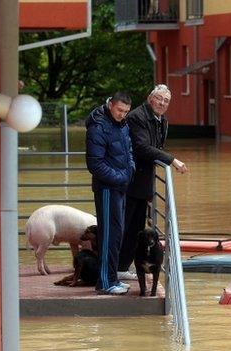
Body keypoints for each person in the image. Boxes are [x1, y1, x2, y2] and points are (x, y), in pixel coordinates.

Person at [117, 84, 188, 280]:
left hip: (143, 183)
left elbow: (155, 146)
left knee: (137, 228)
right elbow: (142, 148)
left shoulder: (161, 120)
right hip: (129, 181)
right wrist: (172, 160)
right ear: (150, 99)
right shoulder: (137, 117)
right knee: (123, 227)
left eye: (166, 101)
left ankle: (123, 267)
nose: (162, 103)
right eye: (159, 99)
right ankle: (113, 268)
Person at [85, 92, 136, 295]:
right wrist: (120, 178)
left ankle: (112, 278)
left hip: (120, 186)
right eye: (119, 110)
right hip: (107, 189)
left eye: (126, 112)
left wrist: (129, 171)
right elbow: (95, 164)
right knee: (108, 235)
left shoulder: (121, 124)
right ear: (110, 105)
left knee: (117, 235)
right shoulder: (98, 126)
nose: (122, 115)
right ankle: (105, 282)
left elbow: (129, 150)